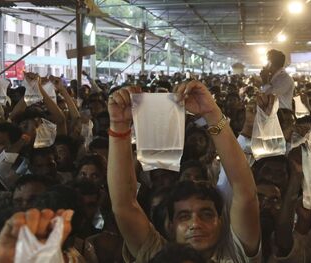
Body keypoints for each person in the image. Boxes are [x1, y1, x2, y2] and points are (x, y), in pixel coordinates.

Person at [106, 82, 260, 262]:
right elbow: (124, 205)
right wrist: (119, 126)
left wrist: (212, 113)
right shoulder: (159, 256)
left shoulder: (235, 257)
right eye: (184, 216)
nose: (195, 224)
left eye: (207, 214)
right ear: (170, 226)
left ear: (221, 221)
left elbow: (245, 192)